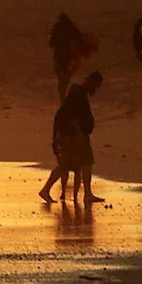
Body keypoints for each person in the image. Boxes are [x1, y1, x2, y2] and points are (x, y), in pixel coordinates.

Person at [39, 71, 105, 204]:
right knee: (73, 164)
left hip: (72, 135)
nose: (96, 89)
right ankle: (47, 190)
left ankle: (87, 193)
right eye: (97, 86)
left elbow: (62, 115)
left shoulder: (77, 93)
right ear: (92, 82)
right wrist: (77, 131)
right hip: (73, 136)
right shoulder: (78, 95)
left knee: (80, 163)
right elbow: (67, 116)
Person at [49, 13, 95, 100]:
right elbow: (77, 62)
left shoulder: (69, 38)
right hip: (62, 56)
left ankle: (62, 100)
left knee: (62, 81)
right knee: (63, 80)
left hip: (60, 55)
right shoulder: (73, 42)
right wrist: (68, 75)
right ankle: (63, 100)